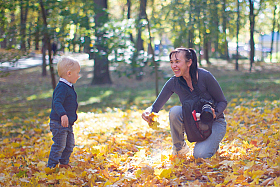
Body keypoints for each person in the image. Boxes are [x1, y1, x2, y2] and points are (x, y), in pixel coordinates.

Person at [142, 47, 227, 159]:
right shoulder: (174, 82)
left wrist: (215, 112)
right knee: (175, 112)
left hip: (215, 122)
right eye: (171, 62)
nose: (173, 66)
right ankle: (179, 148)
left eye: (177, 62)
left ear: (189, 62)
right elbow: (155, 106)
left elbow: (222, 101)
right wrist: (148, 112)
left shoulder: (205, 76)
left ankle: (211, 144)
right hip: (194, 124)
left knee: (200, 155)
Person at [47, 56, 80, 168]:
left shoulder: (68, 86)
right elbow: (57, 102)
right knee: (59, 145)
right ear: (69, 73)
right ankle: (51, 166)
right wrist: (63, 114)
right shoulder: (62, 87)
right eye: (77, 73)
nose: (78, 76)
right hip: (58, 122)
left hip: (67, 123)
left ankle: (64, 163)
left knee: (69, 145)